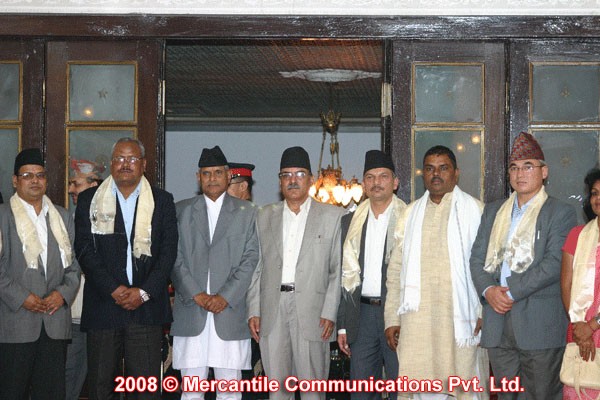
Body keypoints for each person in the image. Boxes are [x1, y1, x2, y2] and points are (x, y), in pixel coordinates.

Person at [470, 132, 577, 400]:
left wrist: (511, 291)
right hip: (497, 322)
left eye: (528, 166)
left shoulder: (560, 212)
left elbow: (554, 264)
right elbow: (476, 259)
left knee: (542, 395)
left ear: (544, 172)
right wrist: (488, 291)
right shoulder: (493, 211)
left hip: (540, 326)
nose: (520, 174)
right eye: (514, 168)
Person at [74, 137, 178, 400]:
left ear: (144, 164)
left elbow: (168, 253)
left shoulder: (162, 201)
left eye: (132, 158)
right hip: (103, 307)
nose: (125, 164)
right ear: (111, 164)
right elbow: (84, 250)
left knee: (144, 392)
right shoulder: (89, 200)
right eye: (119, 158)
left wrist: (143, 292)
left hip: (146, 309)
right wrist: (113, 289)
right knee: (100, 389)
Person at [384, 145, 487, 400]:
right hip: (418, 322)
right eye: (430, 169)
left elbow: (489, 268)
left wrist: (483, 312)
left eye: (443, 168)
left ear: (456, 173)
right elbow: (395, 271)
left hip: (461, 321)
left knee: (463, 386)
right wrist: (392, 318)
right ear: (423, 174)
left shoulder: (476, 211)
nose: (436, 174)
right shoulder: (410, 214)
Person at [247, 146, 343, 400]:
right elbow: (257, 266)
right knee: (278, 392)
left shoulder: (333, 216)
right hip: (272, 310)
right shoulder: (264, 216)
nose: (292, 180)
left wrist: (330, 311)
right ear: (279, 181)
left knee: (313, 392)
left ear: (311, 179)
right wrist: (254, 309)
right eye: (286, 175)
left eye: (299, 174)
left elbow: (337, 269)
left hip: (314, 313)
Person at [171, 146, 259, 400]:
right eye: (206, 173)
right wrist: (196, 294)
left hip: (229, 313)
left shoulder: (248, 213)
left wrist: (225, 296)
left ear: (228, 175)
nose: (212, 178)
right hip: (192, 311)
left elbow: (251, 259)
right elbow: (173, 257)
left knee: (229, 392)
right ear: (198, 177)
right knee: (191, 392)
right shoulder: (181, 210)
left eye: (218, 172)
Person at [0, 148, 80, 399]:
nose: (35, 180)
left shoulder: (62, 217)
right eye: (27, 175)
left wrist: (62, 294)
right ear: (15, 181)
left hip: (54, 323)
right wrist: (21, 297)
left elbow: (74, 266)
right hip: (15, 324)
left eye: (40, 175)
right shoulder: (3, 216)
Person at [338, 150, 405, 400]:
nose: (377, 182)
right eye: (370, 177)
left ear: (395, 182)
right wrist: (342, 325)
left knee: (401, 388)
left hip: (398, 314)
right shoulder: (349, 222)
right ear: (364, 185)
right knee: (362, 393)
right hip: (362, 315)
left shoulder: (410, 218)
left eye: (383, 176)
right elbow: (342, 278)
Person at [65, 158, 104, 400]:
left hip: (103, 314)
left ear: (94, 185)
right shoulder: (64, 219)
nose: (71, 189)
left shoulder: (110, 218)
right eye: (70, 183)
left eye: (76, 184)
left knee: (102, 381)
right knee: (69, 377)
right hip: (73, 316)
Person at [560, 168, 600, 400]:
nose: (598, 199)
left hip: (591, 326)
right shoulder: (577, 235)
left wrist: (593, 326)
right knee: (579, 386)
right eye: (594, 193)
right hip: (579, 328)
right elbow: (566, 285)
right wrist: (579, 327)